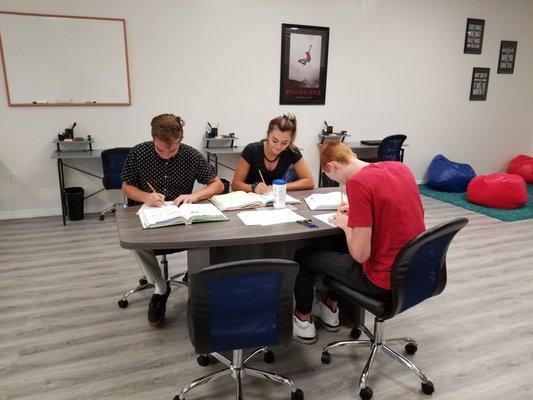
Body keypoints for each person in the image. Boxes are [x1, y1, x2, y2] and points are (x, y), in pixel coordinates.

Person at [292, 141, 425, 344]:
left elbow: (360, 255)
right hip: (415, 270)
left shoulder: (358, 183)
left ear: (332, 166)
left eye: (330, 176)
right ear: (352, 154)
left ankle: (302, 320)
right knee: (339, 246)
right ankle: (330, 307)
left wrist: (346, 225)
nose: (336, 182)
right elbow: (394, 211)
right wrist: (358, 214)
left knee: (304, 256)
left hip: (381, 280)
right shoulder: (399, 167)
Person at [121, 113, 224, 326]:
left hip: (180, 215)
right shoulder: (138, 153)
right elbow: (126, 186)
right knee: (135, 241)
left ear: (181, 138)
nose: (166, 155)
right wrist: (145, 197)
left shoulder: (191, 155)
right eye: (160, 150)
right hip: (148, 214)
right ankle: (160, 287)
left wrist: (195, 196)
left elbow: (218, 185)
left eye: (173, 150)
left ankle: (195, 276)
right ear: (153, 139)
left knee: (210, 232)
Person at [231, 114, 314, 194]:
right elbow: (235, 185)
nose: (278, 146)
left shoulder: (291, 151)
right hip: (252, 201)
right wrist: (253, 187)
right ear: (268, 135)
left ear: (290, 140)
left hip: (275, 201)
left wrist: (281, 186)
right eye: (274, 141)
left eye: (284, 143)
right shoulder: (252, 150)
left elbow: (309, 182)